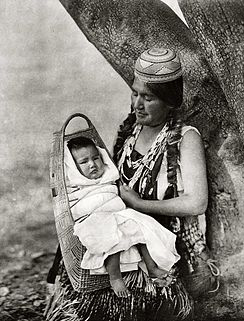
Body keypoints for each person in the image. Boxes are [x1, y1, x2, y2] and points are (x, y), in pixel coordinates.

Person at [45, 47, 211, 321]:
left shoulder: (184, 137)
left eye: (149, 97)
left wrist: (139, 204)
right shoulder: (131, 130)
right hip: (117, 226)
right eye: (135, 93)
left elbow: (197, 201)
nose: (137, 104)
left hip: (156, 237)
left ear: (169, 101)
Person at [65, 136, 180, 298]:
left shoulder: (107, 176)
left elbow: (114, 194)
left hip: (116, 213)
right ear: (73, 167)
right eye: (84, 162)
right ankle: (115, 277)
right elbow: (76, 207)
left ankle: (152, 267)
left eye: (96, 158)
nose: (92, 164)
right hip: (94, 219)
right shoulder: (74, 184)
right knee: (112, 238)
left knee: (141, 227)